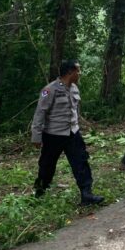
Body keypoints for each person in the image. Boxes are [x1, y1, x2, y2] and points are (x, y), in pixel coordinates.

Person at [31, 59, 104, 205]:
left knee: (81, 162)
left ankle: (86, 194)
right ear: (70, 72)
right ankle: (40, 192)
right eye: (78, 70)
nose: (80, 73)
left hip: (72, 133)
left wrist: (78, 126)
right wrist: (36, 137)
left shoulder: (74, 88)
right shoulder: (49, 90)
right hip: (53, 134)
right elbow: (40, 113)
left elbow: (75, 110)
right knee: (47, 165)